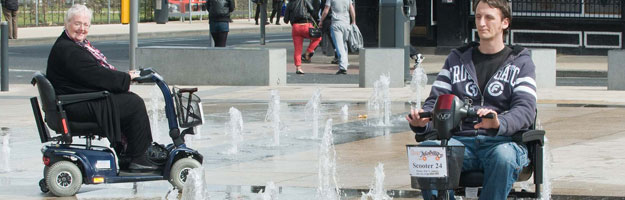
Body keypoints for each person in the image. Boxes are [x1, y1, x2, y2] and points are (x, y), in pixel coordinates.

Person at [405, 0, 537, 199]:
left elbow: (525, 110)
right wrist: (423, 122)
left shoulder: (521, 62)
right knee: (427, 153)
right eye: (478, 17)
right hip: (459, 142)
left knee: (504, 157)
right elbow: (435, 102)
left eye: (489, 17)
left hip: (502, 142)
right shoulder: (456, 59)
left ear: (505, 23)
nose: (482, 23)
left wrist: (499, 122)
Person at [46, 5, 157, 171]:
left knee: (126, 101)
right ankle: (140, 156)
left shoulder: (71, 45)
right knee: (133, 104)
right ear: (67, 23)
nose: (82, 29)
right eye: (77, 24)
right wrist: (127, 78)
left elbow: (95, 74)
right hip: (74, 105)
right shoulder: (69, 50)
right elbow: (96, 75)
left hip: (72, 101)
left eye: (86, 25)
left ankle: (128, 153)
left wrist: (126, 77)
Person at [284, 0, 321, 75]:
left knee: (297, 49)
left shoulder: (289, 4)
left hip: (296, 27)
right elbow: (312, 10)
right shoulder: (304, 1)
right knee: (318, 38)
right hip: (306, 25)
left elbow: (286, 20)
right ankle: (308, 52)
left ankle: (298, 67)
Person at [319, 0, 355, 75]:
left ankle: (343, 67)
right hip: (346, 23)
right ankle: (345, 63)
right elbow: (351, 8)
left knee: (339, 46)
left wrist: (321, 20)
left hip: (336, 23)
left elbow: (326, 9)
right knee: (344, 44)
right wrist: (353, 21)